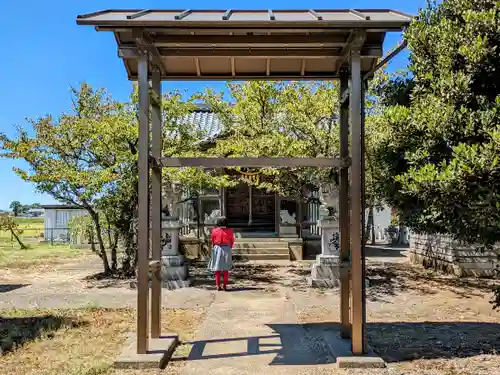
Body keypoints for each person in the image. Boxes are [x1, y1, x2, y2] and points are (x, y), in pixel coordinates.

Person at [207, 216, 234, 291]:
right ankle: (225, 285)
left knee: (217, 269)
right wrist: (230, 247)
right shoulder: (230, 231)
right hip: (226, 249)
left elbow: (212, 240)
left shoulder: (214, 230)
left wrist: (214, 247)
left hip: (217, 248)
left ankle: (218, 286)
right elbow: (232, 240)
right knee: (226, 269)